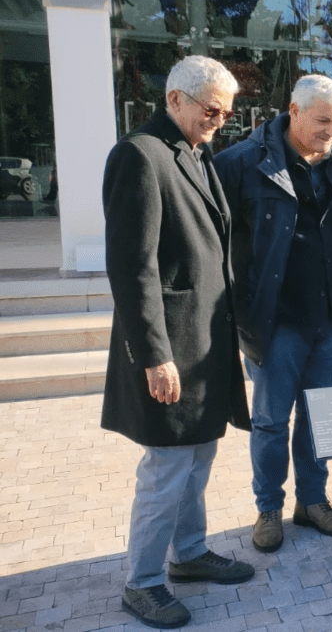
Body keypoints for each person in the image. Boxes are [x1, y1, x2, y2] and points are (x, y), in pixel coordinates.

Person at [102, 55, 253, 629]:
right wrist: (154, 355)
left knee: (198, 456)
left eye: (227, 111)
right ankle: (143, 582)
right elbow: (133, 268)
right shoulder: (140, 155)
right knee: (166, 468)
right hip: (171, 349)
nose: (221, 120)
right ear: (175, 100)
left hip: (205, 344)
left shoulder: (193, 151)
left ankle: (188, 554)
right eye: (212, 109)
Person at [213, 74, 332, 552]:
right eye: (323, 120)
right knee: (271, 421)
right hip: (275, 322)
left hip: (331, 319)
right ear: (293, 111)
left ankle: (312, 500)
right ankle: (267, 508)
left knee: (322, 418)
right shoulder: (240, 164)